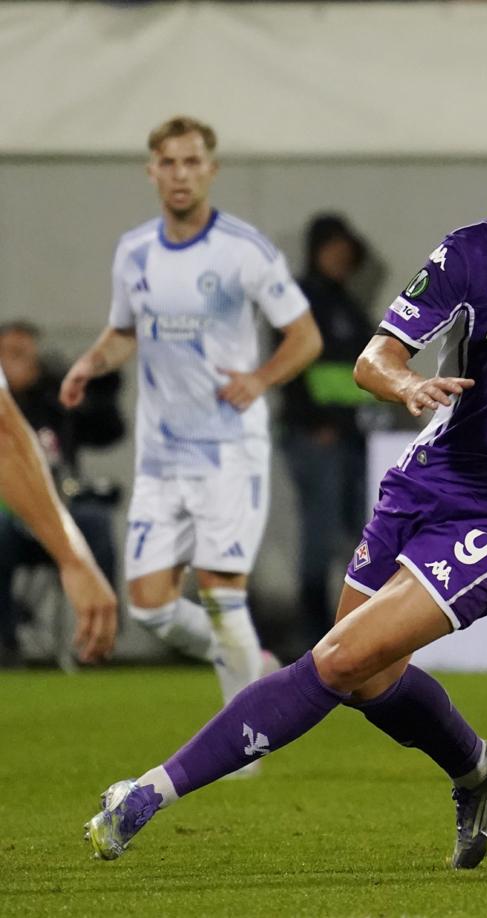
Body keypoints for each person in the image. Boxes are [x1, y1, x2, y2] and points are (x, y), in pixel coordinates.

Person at [82, 129, 487, 870]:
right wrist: (409, 386)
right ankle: (479, 769)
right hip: (425, 480)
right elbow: (375, 360)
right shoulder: (471, 257)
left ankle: (147, 793)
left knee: (336, 660)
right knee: (365, 677)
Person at [60, 116, 322, 712]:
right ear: (151, 171)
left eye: (192, 162)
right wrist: (89, 364)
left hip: (228, 450)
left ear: (211, 170)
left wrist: (259, 379)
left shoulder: (243, 250)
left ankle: (250, 737)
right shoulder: (134, 252)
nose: (180, 174)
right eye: (169, 163)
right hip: (160, 456)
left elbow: (304, 336)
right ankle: (255, 667)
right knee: (149, 606)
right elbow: (126, 332)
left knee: (221, 594)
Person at [280, 214, 379, 652]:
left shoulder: (346, 304)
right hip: (316, 438)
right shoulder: (302, 301)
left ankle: (347, 630)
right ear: (317, 251)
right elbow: (291, 367)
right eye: (334, 250)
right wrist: (314, 423)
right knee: (321, 535)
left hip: (349, 437)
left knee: (357, 536)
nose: (342, 259)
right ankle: (314, 633)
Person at [0, 321, 124, 664]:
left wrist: (100, 385)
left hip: (59, 510)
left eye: (25, 355)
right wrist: (73, 561)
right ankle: (5, 640)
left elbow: (109, 430)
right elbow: (6, 442)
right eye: (9, 353)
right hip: (8, 516)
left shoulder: (53, 399)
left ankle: (103, 636)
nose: (17, 362)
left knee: (96, 522)